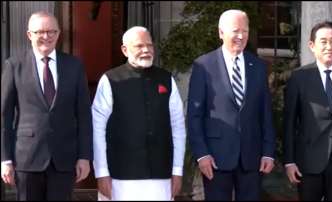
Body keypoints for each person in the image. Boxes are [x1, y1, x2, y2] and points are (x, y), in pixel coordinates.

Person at [1, 11, 93, 200]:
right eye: (40, 32)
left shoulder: (74, 65)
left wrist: (84, 156)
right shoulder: (14, 65)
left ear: (59, 34)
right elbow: (4, 116)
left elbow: (84, 114)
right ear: (29, 35)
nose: (46, 36)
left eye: (52, 31)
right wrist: (5, 159)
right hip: (27, 158)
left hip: (64, 159)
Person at [187, 9, 276, 200]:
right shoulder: (203, 66)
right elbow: (195, 115)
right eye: (236, 30)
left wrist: (268, 152)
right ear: (221, 33)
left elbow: (265, 113)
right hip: (215, 158)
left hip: (252, 158)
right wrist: (202, 154)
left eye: (245, 30)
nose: (241, 36)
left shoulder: (258, 66)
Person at [92, 26, 186, 200]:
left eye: (149, 45)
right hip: (120, 176)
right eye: (139, 46)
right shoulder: (111, 80)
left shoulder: (166, 79)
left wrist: (177, 171)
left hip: (161, 175)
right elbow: (97, 129)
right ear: (125, 50)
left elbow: (178, 127)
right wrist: (101, 173)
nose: (146, 50)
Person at [283, 21, 332, 201]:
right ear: (312, 46)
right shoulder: (299, 78)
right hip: (308, 162)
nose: (329, 46)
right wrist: (289, 161)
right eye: (323, 41)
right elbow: (289, 123)